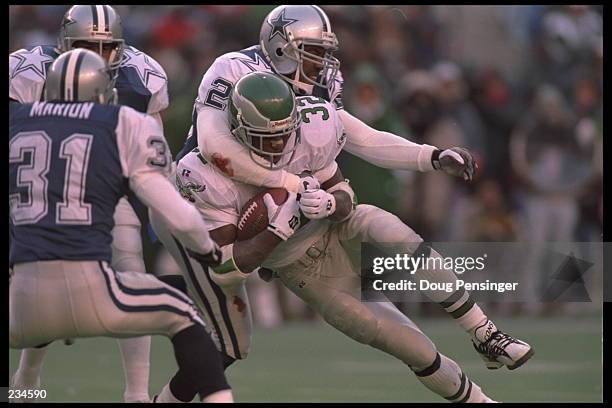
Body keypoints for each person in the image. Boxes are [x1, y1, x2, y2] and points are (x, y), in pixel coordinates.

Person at [172, 4, 532, 369]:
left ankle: (484, 333)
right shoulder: (233, 68)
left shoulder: (319, 82)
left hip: (289, 209)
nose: (322, 62)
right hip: (211, 200)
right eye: (313, 53)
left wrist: (431, 156)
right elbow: (215, 148)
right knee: (233, 341)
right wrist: (292, 184)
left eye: (325, 53)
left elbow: (359, 136)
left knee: (391, 234)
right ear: (282, 48)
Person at [9, 49, 232, 403]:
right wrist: (206, 249)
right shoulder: (123, 123)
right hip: (92, 290)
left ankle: (23, 391)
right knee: (184, 314)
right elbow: (182, 216)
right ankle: (141, 396)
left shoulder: (18, 119)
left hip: (20, 296)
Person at [9, 5, 169, 402]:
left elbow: (154, 152)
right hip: (41, 191)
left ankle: (136, 394)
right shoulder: (27, 72)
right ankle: (27, 380)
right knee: (39, 281)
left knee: (131, 267)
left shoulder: (143, 77)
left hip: (106, 187)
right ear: (63, 43)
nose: (97, 57)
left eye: (106, 47)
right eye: (85, 45)